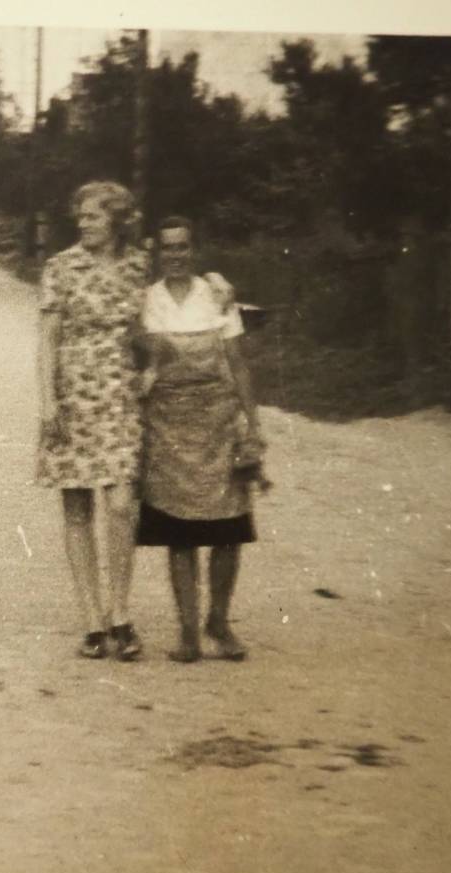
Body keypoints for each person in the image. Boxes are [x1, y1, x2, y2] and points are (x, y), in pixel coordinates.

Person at [136, 216, 265, 662]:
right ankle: (188, 631)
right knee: (181, 532)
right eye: (167, 247)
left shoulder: (216, 295)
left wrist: (253, 424)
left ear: (194, 250)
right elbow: (142, 363)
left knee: (229, 529)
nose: (175, 255)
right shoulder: (146, 299)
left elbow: (237, 362)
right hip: (168, 425)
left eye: (183, 247)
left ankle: (219, 622)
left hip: (218, 422)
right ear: (158, 253)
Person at [37, 181, 149, 661]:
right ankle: (92, 622)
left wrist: (153, 371)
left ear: (117, 221)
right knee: (77, 507)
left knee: (122, 504)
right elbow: (47, 340)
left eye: (94, 216)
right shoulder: (61, 267)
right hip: (73, 397)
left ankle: (120, 612)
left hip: (122, 395)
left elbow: (155, 326)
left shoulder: (139, 266)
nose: (83, 223)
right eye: (80, 216)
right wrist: (47, 403)